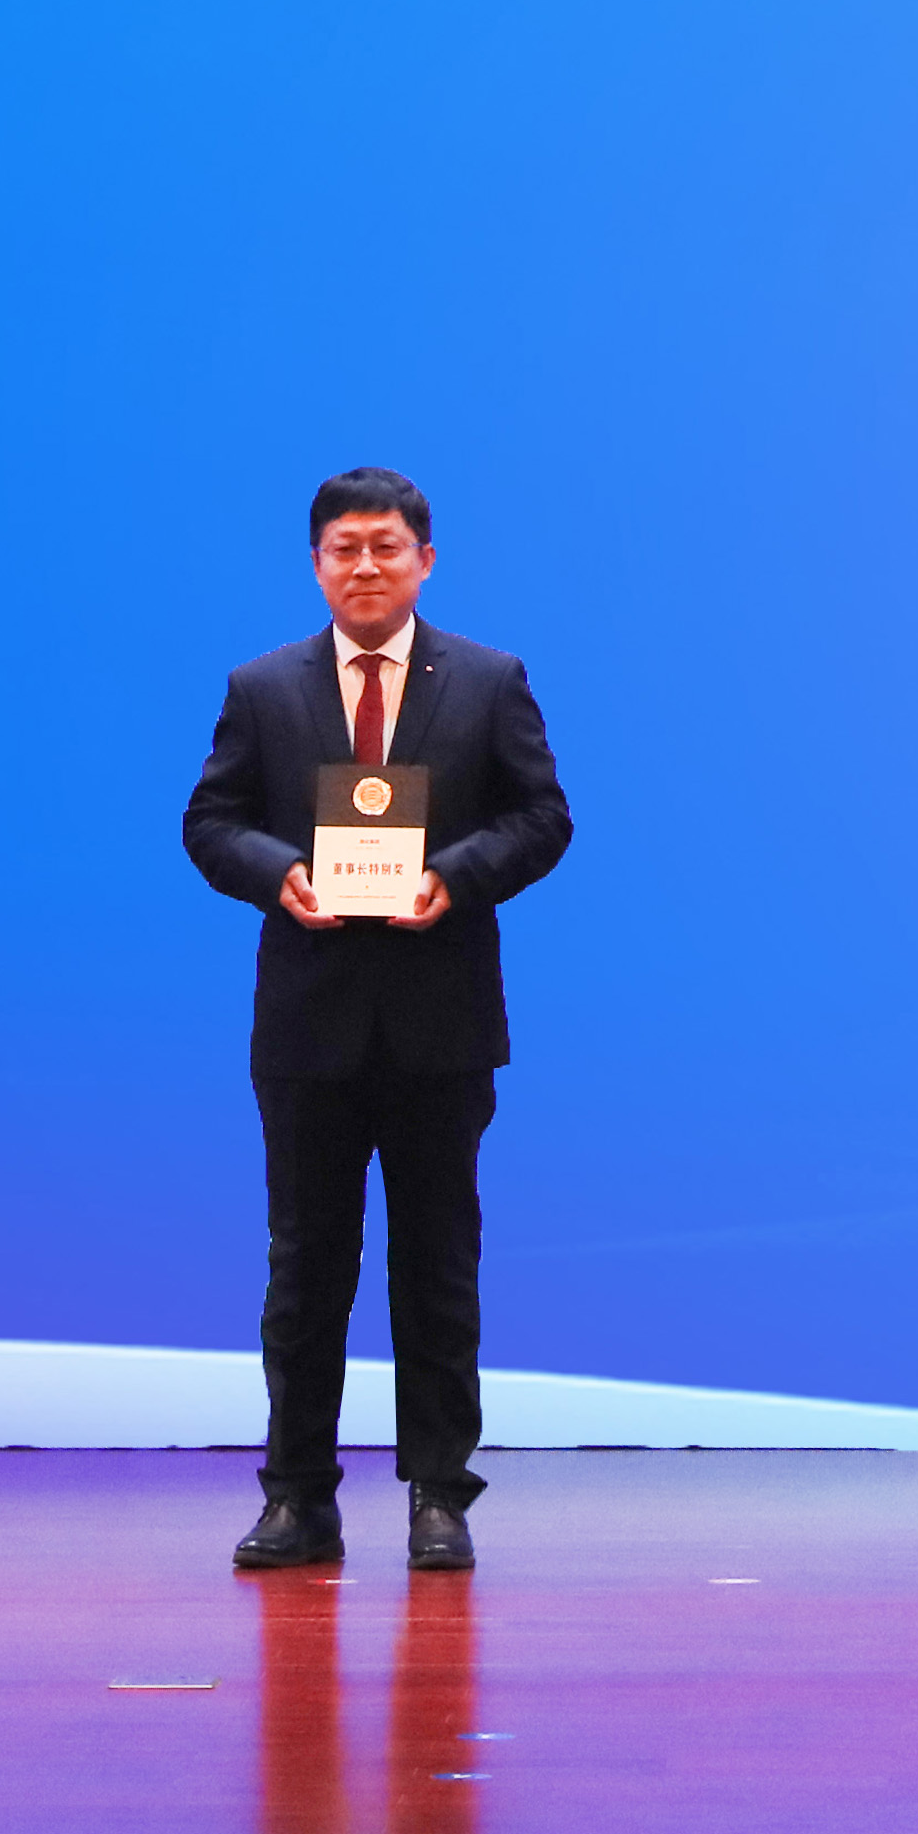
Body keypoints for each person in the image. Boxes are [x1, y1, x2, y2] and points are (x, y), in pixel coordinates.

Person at [183, 467, 572, 1574]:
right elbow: (210, 822)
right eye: (344, 548)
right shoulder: (263, 686)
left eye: (386, 547)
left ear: (424, 561)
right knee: (306, 1269)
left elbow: (543, 817)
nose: (366, 566)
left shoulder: (489, 680)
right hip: (307, 1027)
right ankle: (297, 1498)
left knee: (437, 1265)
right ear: (317, 565)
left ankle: (439, 1496)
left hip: (440, 1023)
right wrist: (279, 873)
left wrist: (456, 874)